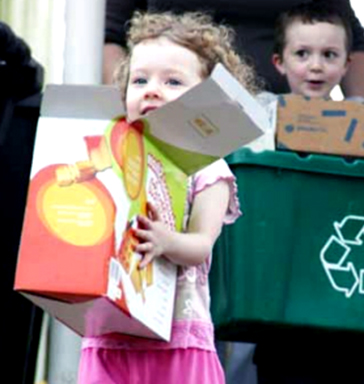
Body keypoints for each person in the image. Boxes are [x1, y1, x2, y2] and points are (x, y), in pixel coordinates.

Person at [78, 11, 259, 384]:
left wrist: (166, 241)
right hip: (111, 336)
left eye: (173, 81)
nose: (151, 89)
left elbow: (201, 245)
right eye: (139, 79)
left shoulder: (207, 168)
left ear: (209, 100)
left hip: (176, 344)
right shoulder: (111, 157)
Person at [252, 3, 364, 383]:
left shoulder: (359, 122)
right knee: (281, 355)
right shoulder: (264, 116)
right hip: (283, 271)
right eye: (302, 54)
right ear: (279, 62)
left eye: (329, 56)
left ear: (346, 66)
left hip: (344, 273)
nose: (315, 66)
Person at [103, 0, 364, 101]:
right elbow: (108, 34)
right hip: (172, 116)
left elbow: (352, 38)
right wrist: (129, 107)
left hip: (282, 137)